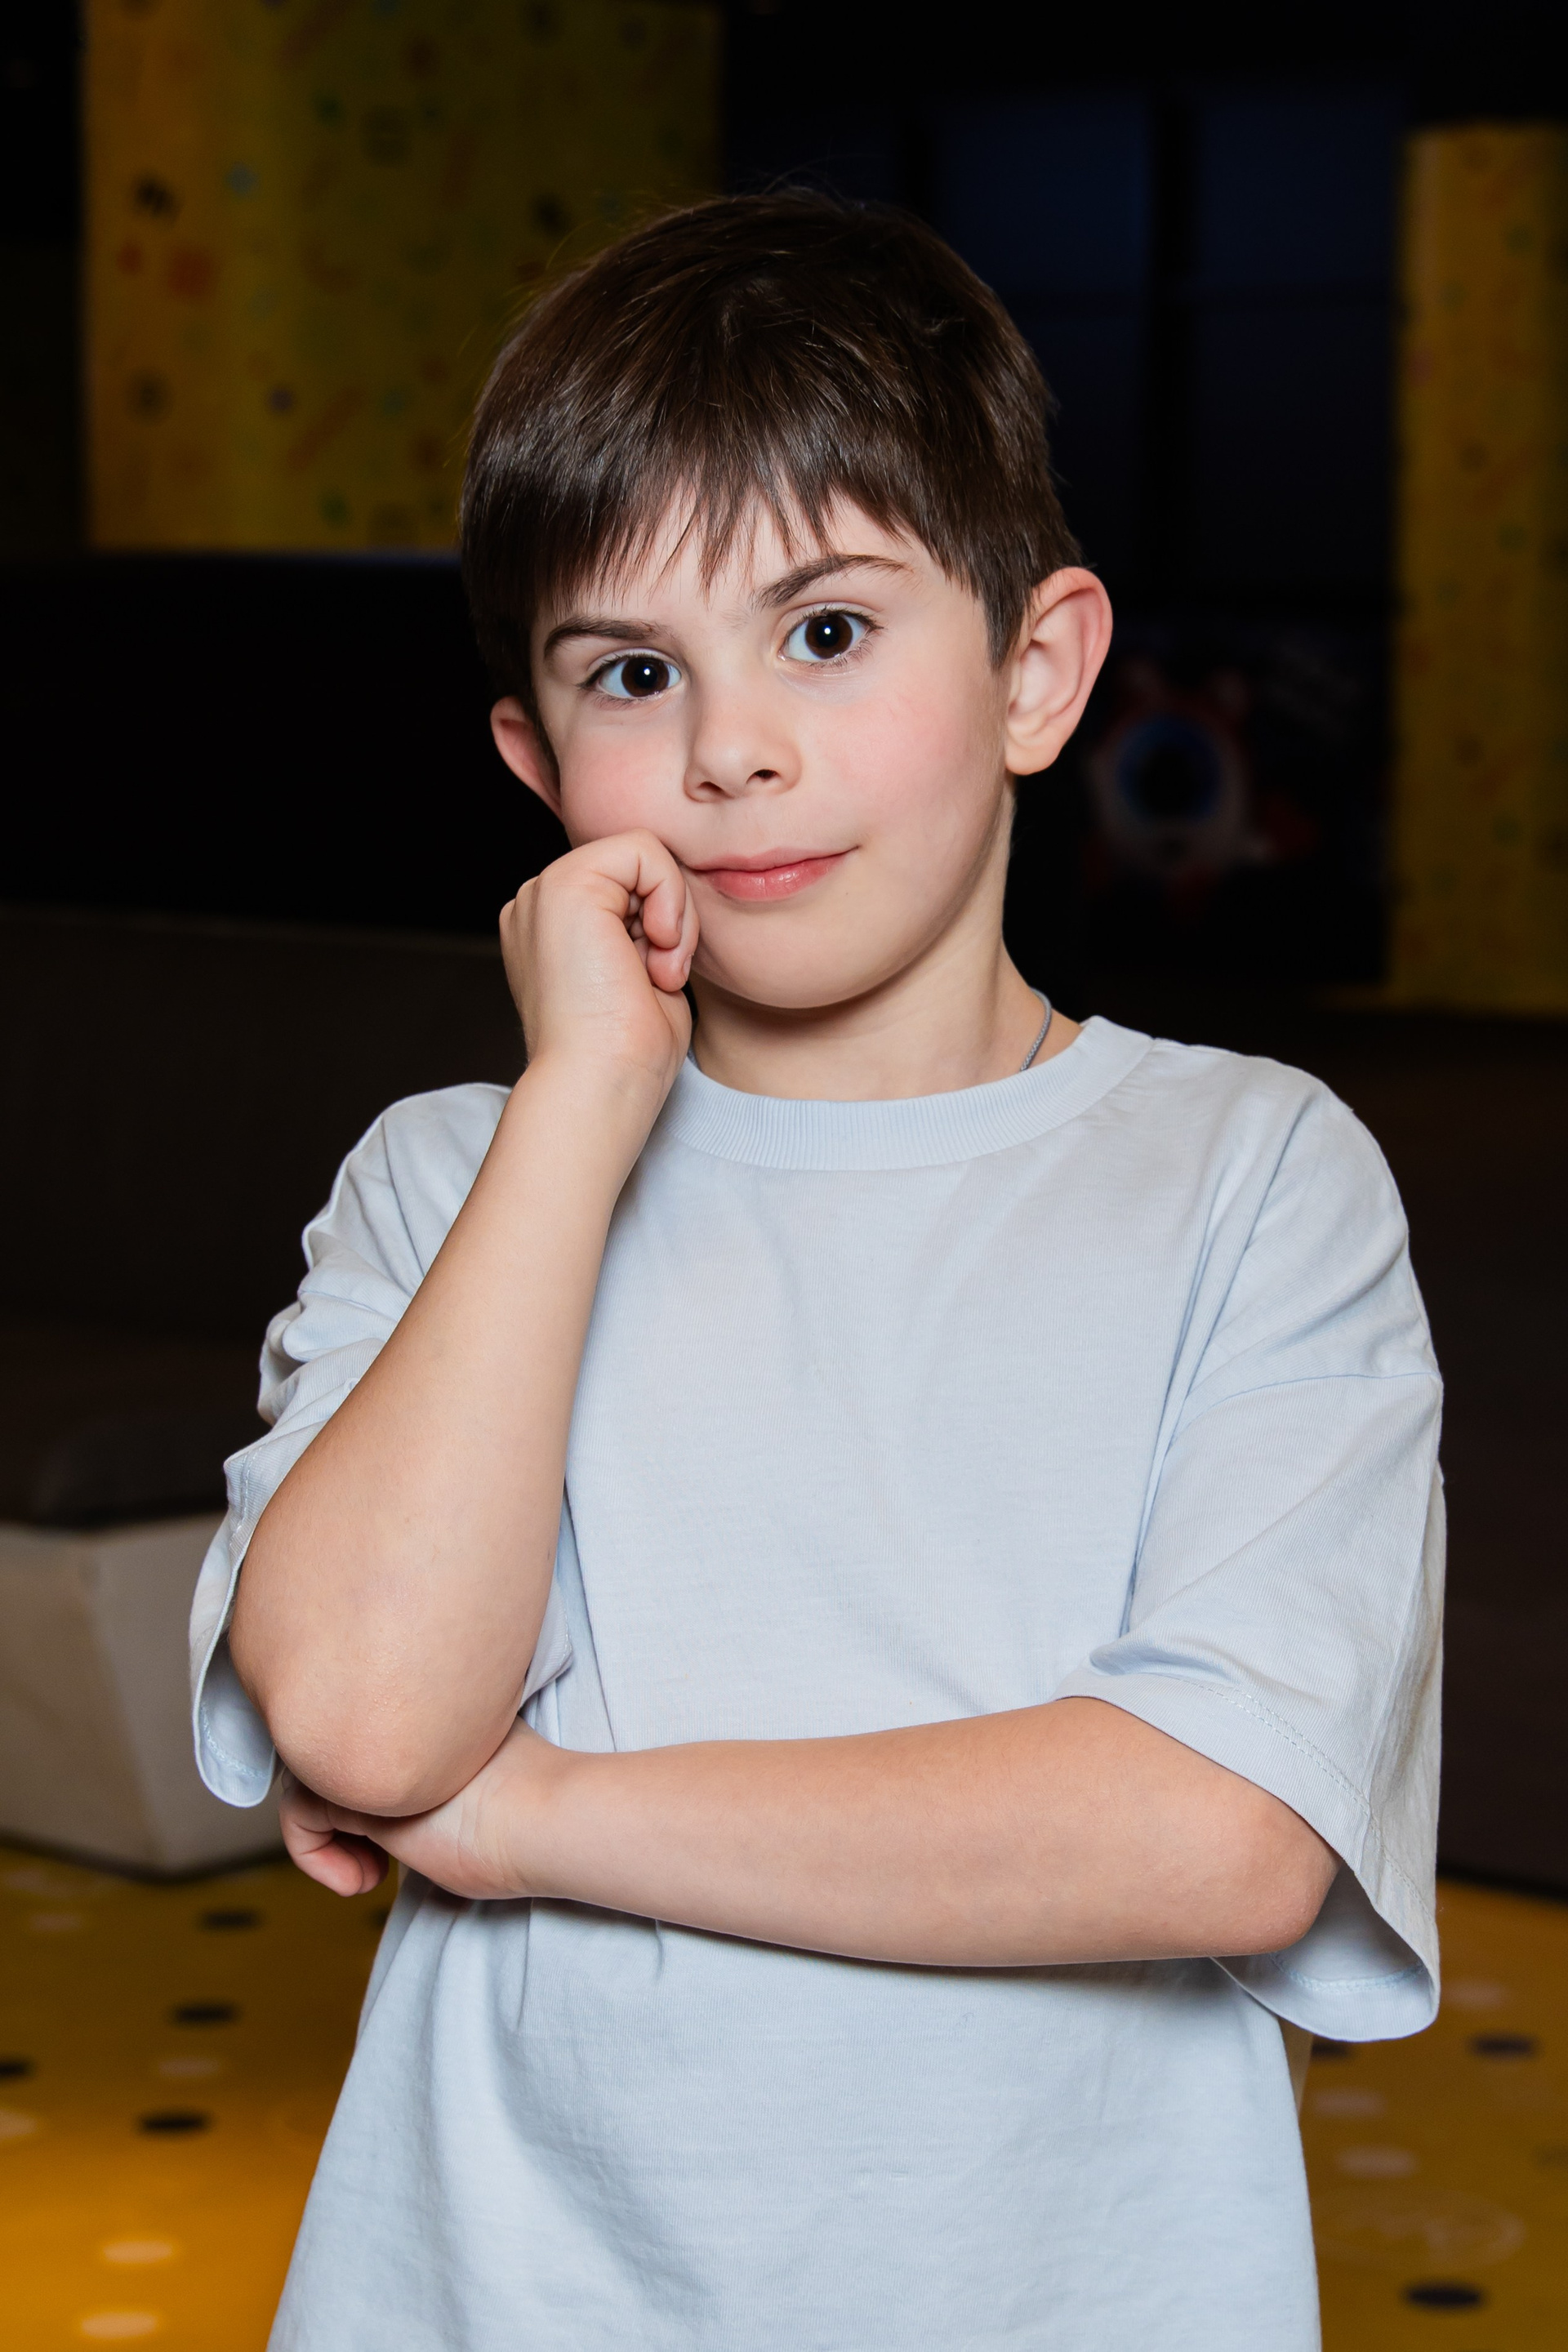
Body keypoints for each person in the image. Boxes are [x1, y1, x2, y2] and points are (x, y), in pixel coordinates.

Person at [189, 192, 1443, 2351]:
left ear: (1037, 670)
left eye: (830, 631)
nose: (732, 747)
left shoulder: (1255, 1177)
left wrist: (534, 1815)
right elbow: (375, 1715)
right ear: (534, 765)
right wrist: (584, 1101)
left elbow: (1223, 1831)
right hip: (499, 2300)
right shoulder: (458, 1179)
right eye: (631, 673)